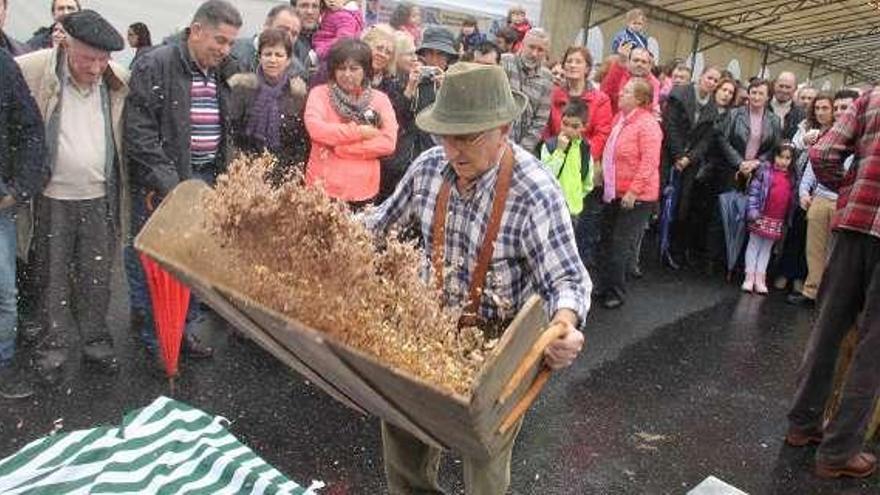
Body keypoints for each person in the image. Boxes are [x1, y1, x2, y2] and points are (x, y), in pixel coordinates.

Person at [365, 62, 589, 495]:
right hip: (431, 326)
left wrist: (566, 327)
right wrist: (319, 226)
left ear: (504, 129)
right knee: (402, 428)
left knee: (484, 456)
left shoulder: (537, 191)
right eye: (446, 135)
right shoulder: (429, 167)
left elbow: (568, 281)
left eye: (467, 137)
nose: (453, 149)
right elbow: (379, 224)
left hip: (501, 343)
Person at [125, 0, 243, 367]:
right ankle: (158, 338)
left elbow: (224, 128)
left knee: (192, 261)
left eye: (230, 44)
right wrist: (171, 184)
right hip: (167, 180)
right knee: (155, 264)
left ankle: (183, 330)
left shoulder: (219, 70)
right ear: (196, 31)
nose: (224, 50)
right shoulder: (155, 64)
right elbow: (139, 133)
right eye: (219, 41)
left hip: (205, 177)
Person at [16, 9, 128, 385]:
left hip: (99, 197)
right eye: (87, 59)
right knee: (52, 278)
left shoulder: (118, 80)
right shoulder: (33, 70)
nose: (96, 68)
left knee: (97, 277)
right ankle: (52, 351)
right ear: (66, 43)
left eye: (103, 59)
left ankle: (96, 344)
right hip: (51, 197)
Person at [785, 85, 880, 480]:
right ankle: (839, 450)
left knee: (827, 329)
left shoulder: (873, 97)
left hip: (854, 227)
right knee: (873, 349)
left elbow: (822, 151)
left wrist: (848, 188)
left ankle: (802, 425)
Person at [0, 49, 47, 399]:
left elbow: (30, 127)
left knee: (4, 294)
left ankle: (3, 367)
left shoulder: (3, 63)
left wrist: (19, 189)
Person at [787, 89, 859, 308]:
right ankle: (811, 292)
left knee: (836, 254)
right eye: (836, 108)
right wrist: (803, 192)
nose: (839, 112)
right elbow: (812, 166)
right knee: (814, 249)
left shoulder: (861, 136)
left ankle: (831, 300)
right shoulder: (826, 134)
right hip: (820, 198)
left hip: (845, 202)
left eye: (844, 107)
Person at [303, 38, 398, 206]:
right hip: (321, 189)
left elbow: (388, 143)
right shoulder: (319, 94)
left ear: (365, 70)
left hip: (363, 192)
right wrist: (359, 132)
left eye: (354, 69)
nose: (347, 74)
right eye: (341, 68)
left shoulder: (380, 99)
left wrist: (344, 149)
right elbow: (317, 130)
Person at [596, 78, 662, 309]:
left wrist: (633, 191)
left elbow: (649, 162)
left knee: (620, 244)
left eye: (626, 92)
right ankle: (603, 285)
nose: (620, 94)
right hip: (614, 190)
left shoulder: (648, 125)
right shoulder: (620, 119)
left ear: (640, 99)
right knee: (606, 240)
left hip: (637, 196)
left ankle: (616, 291)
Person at [228, 28, 309, 184]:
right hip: (245, 171)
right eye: (268, 54)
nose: (273, 60)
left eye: (279, 55)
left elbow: (301, 143)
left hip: (284, 174)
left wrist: (286, 172)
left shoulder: (297, 95)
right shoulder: (243, 89)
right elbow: (231, 133)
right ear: (260, 57)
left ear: (288, 60)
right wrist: (242, 165)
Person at [662, 66, 722, 270]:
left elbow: (706, 140)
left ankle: (672, 249)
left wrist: (689, 158)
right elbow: (670, 126)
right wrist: (679, 155)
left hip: (690, 163)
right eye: (709, 78)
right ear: (701, 76)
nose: (712, 82)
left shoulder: (713, 109)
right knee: (661, 202)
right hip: (669, 155)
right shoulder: (679, 95)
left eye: (716, 80)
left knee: (682, 206)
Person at [363, 25, 417, 203]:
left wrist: (409, 89)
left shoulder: (389, 84)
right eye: (379, 48)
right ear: (366, 45)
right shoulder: (349, 73)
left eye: (388, 51)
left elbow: (395, 121)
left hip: (378, 160)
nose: (383, 54)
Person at [741, 142, 797, 294]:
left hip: (776, 219)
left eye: (787, 158)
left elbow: (791, 200)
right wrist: (752, 212)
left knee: (766, 248)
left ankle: (760, 278)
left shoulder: (791, 178)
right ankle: (749, 277)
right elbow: (753, 193)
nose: (783, 161)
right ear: (774, 156)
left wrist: (787, 218)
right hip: (760, 215)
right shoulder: (764, 172)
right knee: (754, 245)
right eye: (780, 156)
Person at [544, 46, 613, 162]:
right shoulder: (553, 95)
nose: (572, 65)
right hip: (555, 157)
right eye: (569, 61)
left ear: (587, 68)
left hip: (585, 161)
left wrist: (583, 157)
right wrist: (552, 151)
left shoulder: (601, 99)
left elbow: (601, 135)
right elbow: (546, 129)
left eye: (578, 62)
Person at [720, 79, 782, 195]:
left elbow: (774, 147)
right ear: (748, 94)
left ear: (768, 97)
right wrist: (739, 162)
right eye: (753, 92)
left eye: (761, 93)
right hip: (731, 170)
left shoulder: (774, 120)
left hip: (757, 172)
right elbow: (724, 140)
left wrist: (757, 162)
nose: (756, 97)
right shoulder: (734, 114)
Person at [500, 28, 553, 154]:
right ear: (522, 45)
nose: (534, 53)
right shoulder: (504, 62)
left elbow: (540, 120)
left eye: (540, 50)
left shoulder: (547, 78)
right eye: (531, 47)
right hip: (496, 140)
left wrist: (520, 151)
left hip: (522, 149)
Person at [540, 98, 594, 221]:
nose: (568, 129)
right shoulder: (550, 146)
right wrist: (559, 151)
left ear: (584, 127)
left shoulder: (584, 149)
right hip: (551, 209)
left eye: (575, 126)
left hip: (573, 211)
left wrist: (576, 198)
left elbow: (587, 181)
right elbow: (547, 175)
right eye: (565, 123)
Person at [411, 25, 458, 157]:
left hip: (446, 154)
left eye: (441, 54)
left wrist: (446, 90)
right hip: (413, 154)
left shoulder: (458, 83)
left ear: (448, 58)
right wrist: (410, 88)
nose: (434, 60)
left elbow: (459, 122)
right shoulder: (414, 79)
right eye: (430, 53)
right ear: (424, 55)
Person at [231, 5, 307, 77]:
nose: (288, 36)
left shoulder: (296, 70)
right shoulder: (232, 52)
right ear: (267, 25)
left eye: (294, 34)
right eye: (283, 30)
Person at [600, 47, 660, 115]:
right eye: (636, 60)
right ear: (628, 62)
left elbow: (651, 107)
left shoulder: (654, 83)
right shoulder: (619, 73)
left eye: (644, 62)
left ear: (649, 66)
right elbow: (605, 94)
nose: (639, 64)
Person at [312, 0, 364, 66]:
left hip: (331, 58)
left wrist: (322, 52)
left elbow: (344, 41)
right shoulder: (332, 12)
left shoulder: (344, 16)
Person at [769, 71, 805, 140]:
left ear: (795, 89)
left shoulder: (801, 114)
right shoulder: (762, 107)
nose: (784, 90)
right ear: (774, 85)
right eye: (781, 86)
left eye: (788, 87)